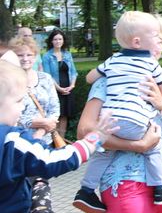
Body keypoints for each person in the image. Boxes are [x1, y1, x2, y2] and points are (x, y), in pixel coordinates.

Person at [75, 13, 162, 213]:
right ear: (136, 41)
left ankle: (86, 190)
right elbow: (84, 132)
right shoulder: (110, 76)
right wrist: (137, 146)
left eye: (161, 39)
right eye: (154, 38)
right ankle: (86, 190)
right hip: (124, 179)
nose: (158, 44)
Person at [0, 59, 117, 213]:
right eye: (18, 101)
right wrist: (92, 140)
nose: (22, 107)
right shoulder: (13, 141)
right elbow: (52, 160)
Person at [9, 36, 61, 213]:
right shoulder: (10, 81)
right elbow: (10, 111)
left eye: (29, 55)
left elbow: (55, 108)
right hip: (18, 144)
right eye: (20, 55)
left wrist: (44, 128)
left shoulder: (45, 78)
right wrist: (38, 123)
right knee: (23, 187)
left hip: (42, 143)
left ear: (35, 56)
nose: (25, 59)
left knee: (40, 186)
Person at [42, 29, 78, 138]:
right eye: (55, 39)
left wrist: (72, 85)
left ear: (63, 41)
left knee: (64, 116)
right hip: (54, 90)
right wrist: (59, 89)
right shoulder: (47, 56)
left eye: (60, 39)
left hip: (68, 89)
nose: (58, 41)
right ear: (51, 41)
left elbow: (73, 72)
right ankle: (53, 140)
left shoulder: (67, 54)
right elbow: (48, 76)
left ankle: (61, 140)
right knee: (55, 115)